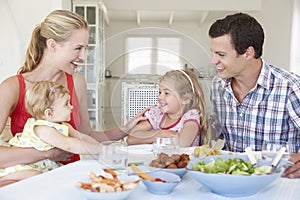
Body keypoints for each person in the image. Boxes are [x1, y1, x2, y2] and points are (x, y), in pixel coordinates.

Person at [0, 10, 147, 172]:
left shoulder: (77, 82)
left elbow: (86, 135)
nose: (83, 56)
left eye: (85, 48)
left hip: (72, 176)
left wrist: (126, 128)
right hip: (33, 181)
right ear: (52, 45)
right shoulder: (12, 88)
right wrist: (48, 153)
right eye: (78, 48)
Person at [208, 12, 300, 177]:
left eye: (221, 55)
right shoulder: (218, 86)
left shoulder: (290, 88)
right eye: (213, 53)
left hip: (278, 183)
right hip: (231, 180)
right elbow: (214, 132)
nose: (213, 60)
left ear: (248, 53)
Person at [0, 81, 101, 186]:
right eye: (66, 104)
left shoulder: (64, 125)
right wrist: (100, 150)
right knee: (36, 175)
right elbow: (69, 145)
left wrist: (102, 148)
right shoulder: (42, 129)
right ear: (49, 113)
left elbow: (82, 137)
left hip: (43, 165)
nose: (71, 107)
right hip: (25, 166)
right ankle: (3, 178)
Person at [126, 69, 209, 147]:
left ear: (185, 98)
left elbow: (182, 143)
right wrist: (161, 133)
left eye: (166, 93)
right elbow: (131, 138)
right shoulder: (157, 114)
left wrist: (150, 137)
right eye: (160, 92)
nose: (159, 97)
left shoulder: (191, 116)